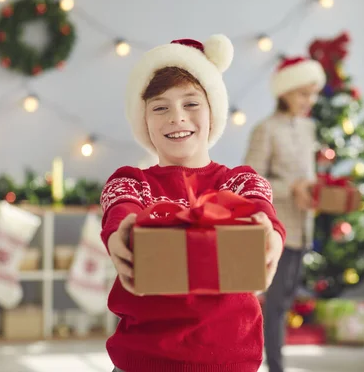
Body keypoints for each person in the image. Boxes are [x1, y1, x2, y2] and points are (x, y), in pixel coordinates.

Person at [99, 35, 286, 372]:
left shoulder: (239, 181)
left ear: (213, 111)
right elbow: (120, 208)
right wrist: (119, 235)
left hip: (230, 359)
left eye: (191, 103)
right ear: (144, 121)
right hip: (144, 361)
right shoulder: (132, 181)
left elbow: (260, 206)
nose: (177, 117)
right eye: (160, 107)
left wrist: (270, 233)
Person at [244, 56, 325, 372]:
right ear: (286, 92)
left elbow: (308, 175)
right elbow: (250, 180)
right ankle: (274, 365)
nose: (310, 101)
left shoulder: (308, 128)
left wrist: (314, 191)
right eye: (304, 93)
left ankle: (276, 360)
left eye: (313, 93)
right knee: (275, 304)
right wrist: (292, 187)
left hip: (303, 225)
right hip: (277, 227)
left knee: (286, 299)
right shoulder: (266, 129)